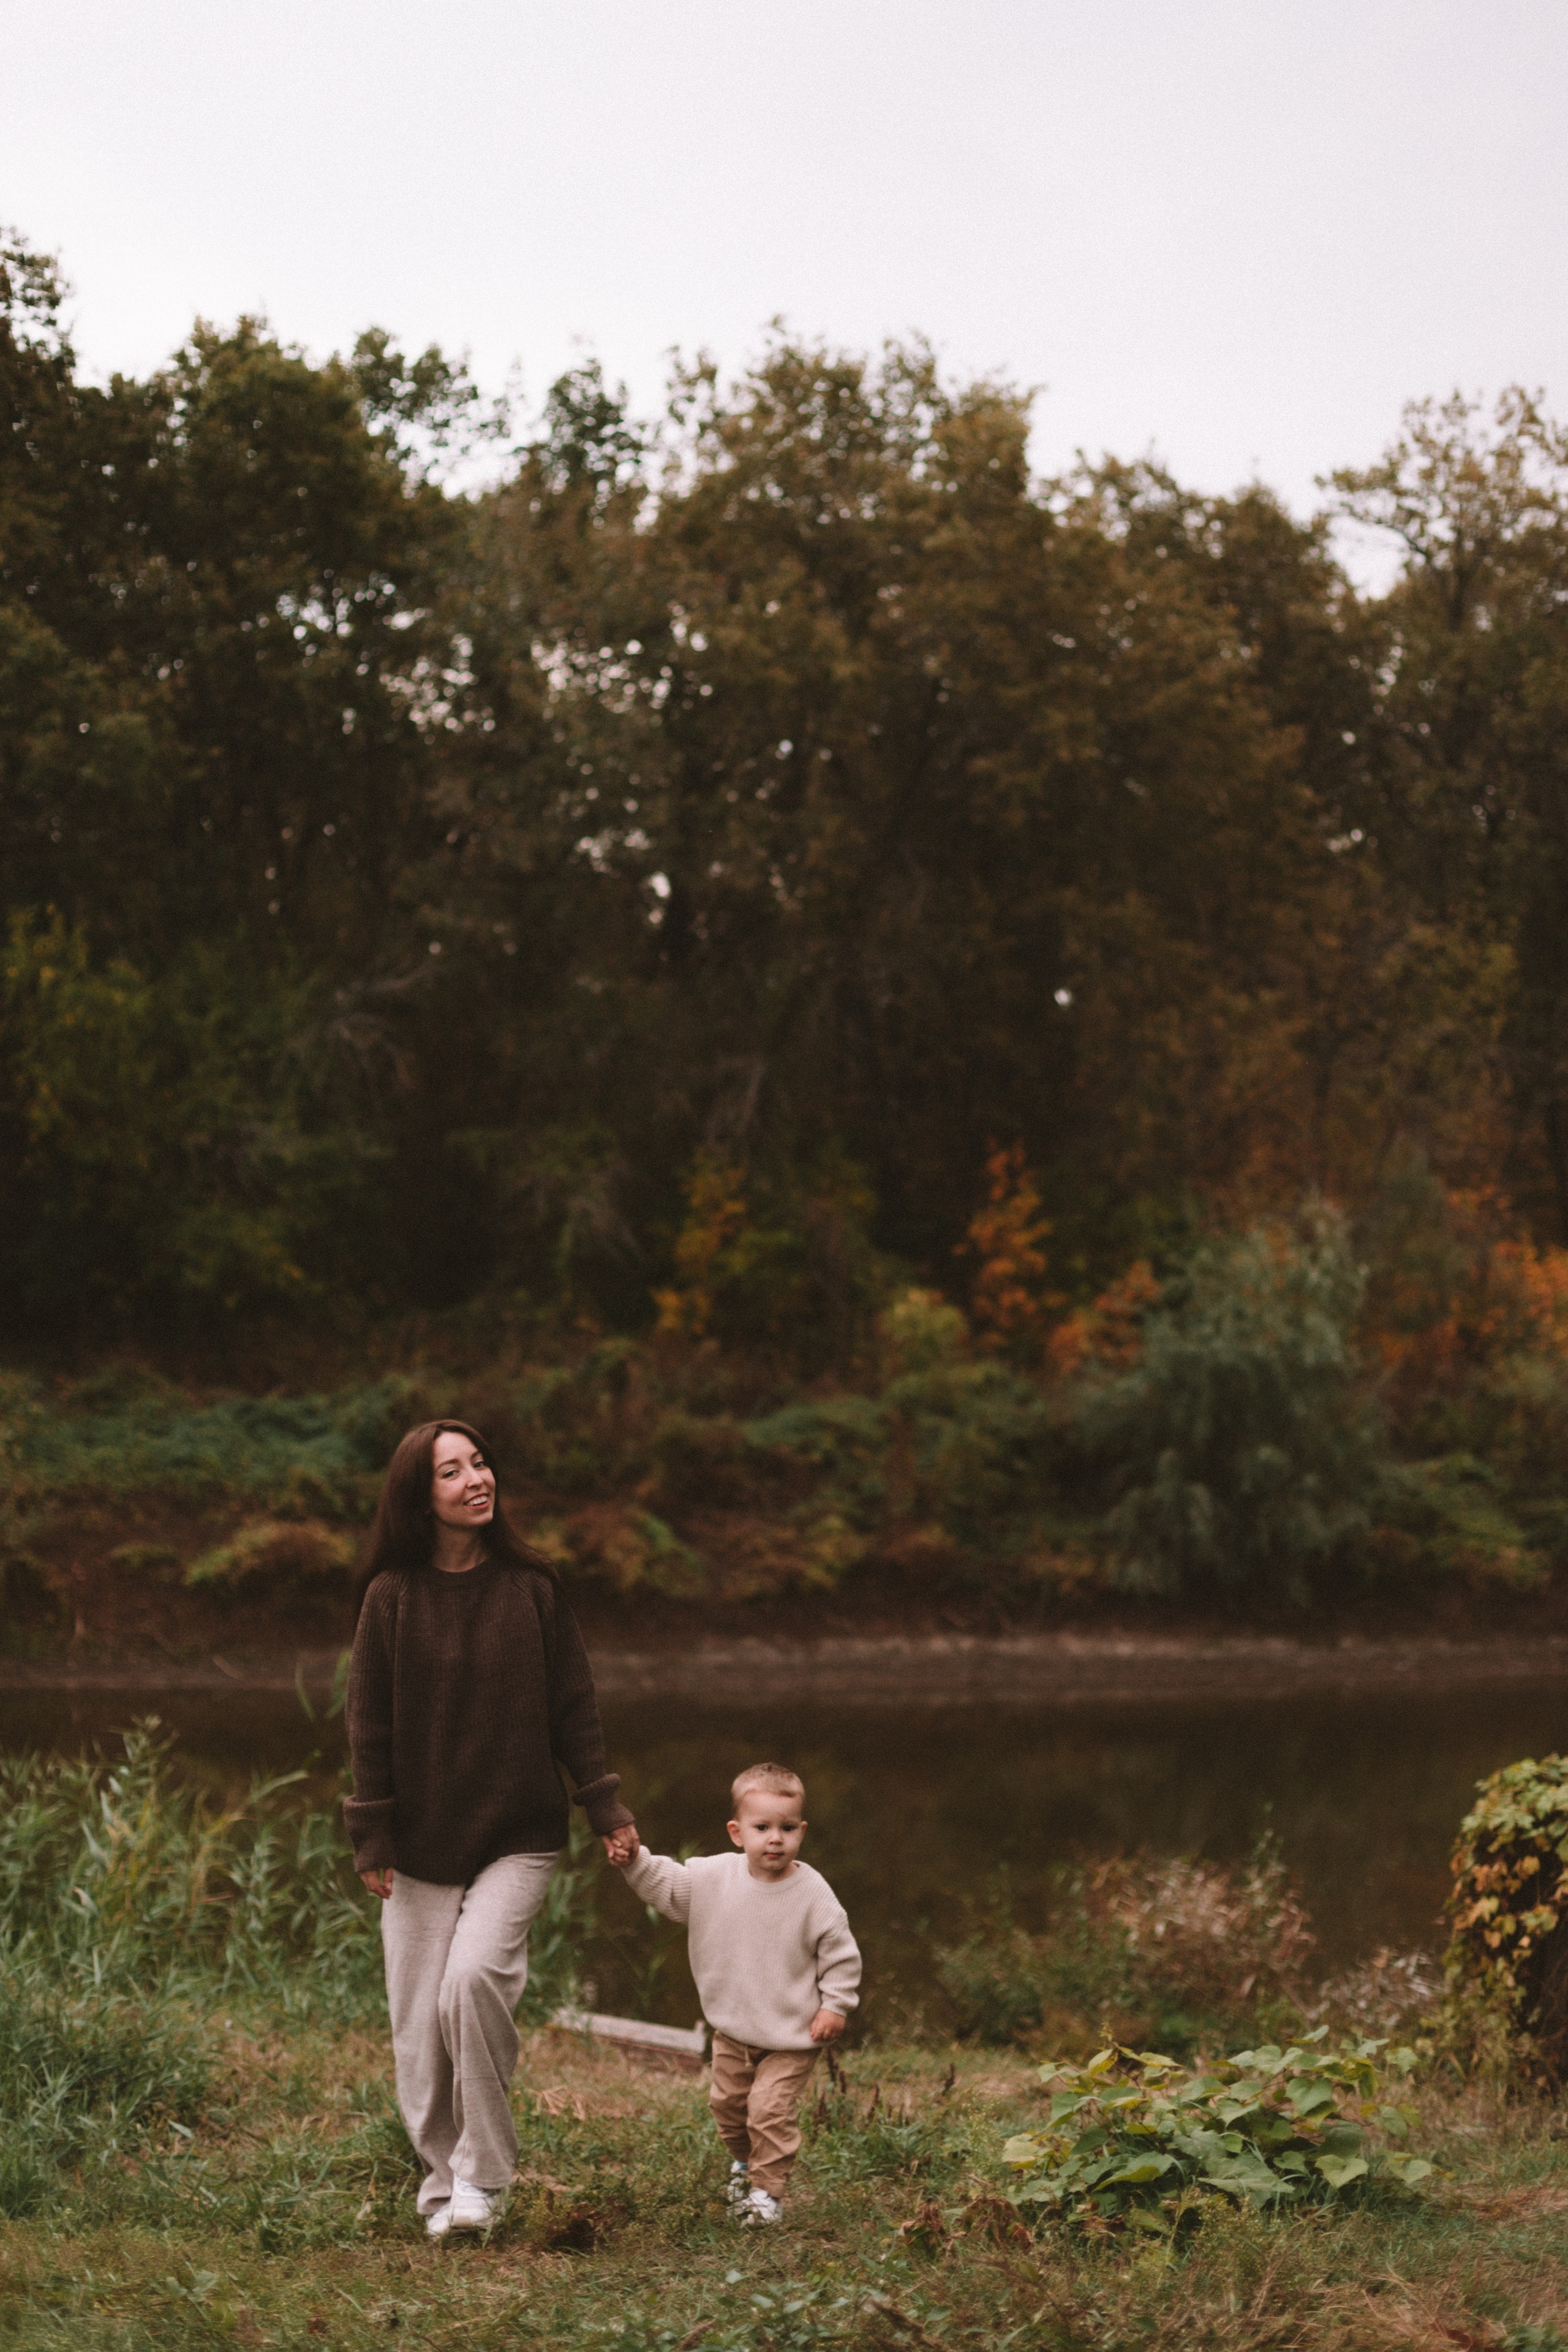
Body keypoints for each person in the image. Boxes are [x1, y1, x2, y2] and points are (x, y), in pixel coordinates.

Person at [344, 1418, 638, 2239]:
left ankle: (483, 2179)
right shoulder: (390, 1598)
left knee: (471, 1985)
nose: (477, 1479)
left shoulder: (531, 1588)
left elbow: (574, 1705)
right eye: (452, 1471)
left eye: (480, 1463)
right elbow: (367, 1723)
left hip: (520, 1832)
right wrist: (370, 1831)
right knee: (418, 2024)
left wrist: (603, 1802)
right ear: (418, 1496)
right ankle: (441, 2180)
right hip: (419, 1843)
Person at [611, 1761, 860, 2225]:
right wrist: (635, 1859)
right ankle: (744, 2164)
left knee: (768, 2110)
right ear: (736, 1832)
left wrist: (835, 2005)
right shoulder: (712, 1879)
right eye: (762, 1827)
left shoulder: (813, 1893)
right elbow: (666, 1885)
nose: (775, 1839)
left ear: (802, 1831)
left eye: (787, 1828)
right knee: (728, 2108)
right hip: (731, 2031)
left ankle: (767, 2194)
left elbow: (841, 1953)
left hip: (791, 2034)